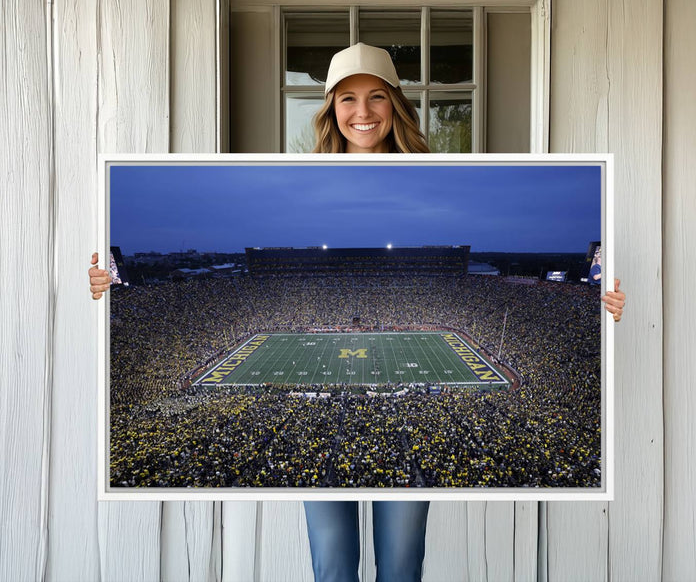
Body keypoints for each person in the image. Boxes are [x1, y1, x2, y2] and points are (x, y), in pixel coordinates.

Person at [88, 43, 627, 581]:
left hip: (403, 394)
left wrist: (604, 302)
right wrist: (100, 289)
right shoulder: (299, 178)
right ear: (329, 108)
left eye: (376, 97)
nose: (362, 112)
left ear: (396, 103)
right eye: (347, 98)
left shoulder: (437, 172)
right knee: (333, 566)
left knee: (399, 566)